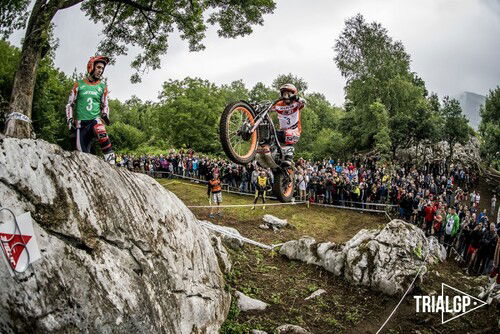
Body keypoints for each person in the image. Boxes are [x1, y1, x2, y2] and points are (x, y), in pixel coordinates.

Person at [65, 56, 115, 164]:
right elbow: (69, 105)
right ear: (91, 67)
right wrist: (69, 120)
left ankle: (111, 160)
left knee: (100, 129)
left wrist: (105, 114)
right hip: (80, 124)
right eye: (98, 67)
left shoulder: (102, 87)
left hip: (94, 120)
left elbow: (106, 104)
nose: (100, 71)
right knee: (83, 157)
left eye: (102, 69)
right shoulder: (78, 84)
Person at [271, 83, 306, 165]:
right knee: (270, 134)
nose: (286, 96)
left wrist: (297, 98)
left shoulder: (296, 103)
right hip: (282, 131)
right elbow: (269, 109)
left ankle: (289, 157)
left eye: (288, 94)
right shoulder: (278, 104)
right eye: (284, 94)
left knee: (289, 133)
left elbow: (304, 102)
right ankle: (273, 154)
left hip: (294, 130)